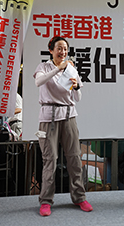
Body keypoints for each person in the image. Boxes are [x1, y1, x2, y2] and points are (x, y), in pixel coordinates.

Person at [33, 36, 93, 216]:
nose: (63, 52)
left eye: (65, 49)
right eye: (59, 48)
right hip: (48, 116)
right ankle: (45, 201)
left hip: (69, 116)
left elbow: (78, 98)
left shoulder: (72, 69)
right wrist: (58, 68)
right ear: (51, 50)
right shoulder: (43, 67)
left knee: (74, 157)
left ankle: (79, 197)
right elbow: (39, 82)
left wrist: (76, 88)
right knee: (49, 159)